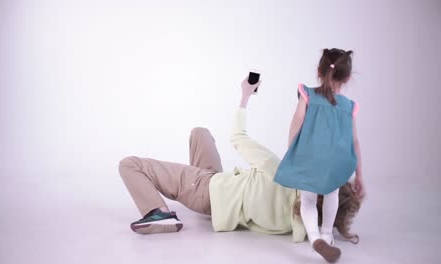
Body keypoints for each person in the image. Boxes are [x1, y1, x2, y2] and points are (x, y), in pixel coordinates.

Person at [117, 74, 364, 247]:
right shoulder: (296, 225)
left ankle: (160, 214)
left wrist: (245, 94)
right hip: (220, 190)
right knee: (199, 132)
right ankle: (187, 184)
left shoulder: (278, 171)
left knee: (129, 164)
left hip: (205, 189)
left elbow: (238, 137)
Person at [274, 48, 366, 263]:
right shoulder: (349, 106)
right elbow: (354, 140)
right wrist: (359, 174)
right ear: (348, 77)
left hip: (309, 156)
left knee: (307, 198)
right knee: (332, 194)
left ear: (319, 71)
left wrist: (292, 151)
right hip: (336, 161)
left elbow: (297, 121)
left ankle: (315, 238)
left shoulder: (307, 94)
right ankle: (327, 234)